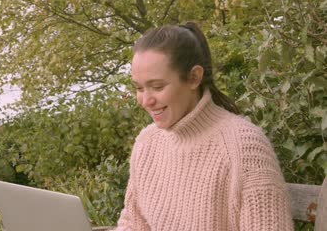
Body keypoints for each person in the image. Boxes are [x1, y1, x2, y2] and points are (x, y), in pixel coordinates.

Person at [114, 22, 293, 230]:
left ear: (194, 77)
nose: (146, 100)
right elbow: (133, 224)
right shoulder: (147, 144)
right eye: (139, 88)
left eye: (157, 86)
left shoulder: (245, 147)